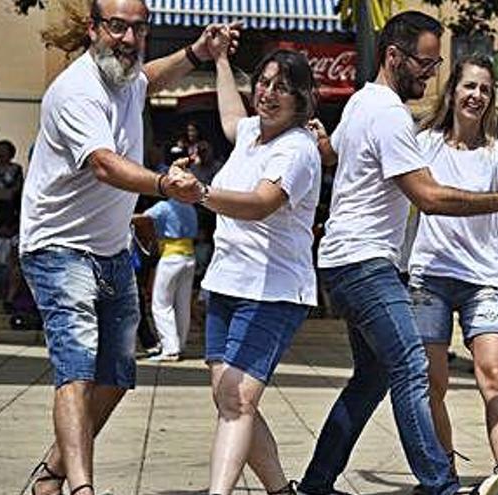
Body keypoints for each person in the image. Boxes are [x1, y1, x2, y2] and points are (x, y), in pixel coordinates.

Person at [298, 12, 498, 495]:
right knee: (412, 368)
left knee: (371, 379)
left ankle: (315, 485)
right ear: (393, 56)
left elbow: (338, 158)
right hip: (366, 264)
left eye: (436, 65)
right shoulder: (390, 113)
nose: (431, 75)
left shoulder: (359, 104)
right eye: (425, 64)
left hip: (345, 260)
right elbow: (428, 197)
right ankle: (441, 486)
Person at [18, 1, 235, 494]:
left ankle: (51, 475)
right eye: (118, 27)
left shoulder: (125, 77)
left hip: (112, 249)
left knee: (116, 375)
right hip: (59, 248)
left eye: (139, 28)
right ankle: (81, 487)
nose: (130, 39)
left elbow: (149, 79)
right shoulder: (76, 91)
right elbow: (104, 165)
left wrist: (197, 53)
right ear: (95, 29)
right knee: (76, 369)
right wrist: (163, 183)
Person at [406, 54, 498, 495]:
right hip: (428, 274)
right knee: (432, 382)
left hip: (483, 277)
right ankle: (444, 475)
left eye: (485, 90)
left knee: (495, 375)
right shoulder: (424, 142)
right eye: (470, 86)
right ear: (452, 92)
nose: (477, 96)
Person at [196, 32, 321, 495]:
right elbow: (231, 116)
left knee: (238, 399)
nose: (268, 93)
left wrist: (201, 193)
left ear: (302, 98)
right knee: (229, 398)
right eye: (264, 83)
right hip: (227, 281)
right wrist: (222, 60)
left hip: (273, 291)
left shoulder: (298, 150)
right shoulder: (250, 132)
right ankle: (281, 492)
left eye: (282, 86)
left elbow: (261, 203)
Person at [133, 196, 198, 361]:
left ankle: (170, 348)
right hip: (189, 256)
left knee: (161, 304)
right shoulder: (190, 206)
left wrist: (124, 216)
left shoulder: (164, 206)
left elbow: (144, 218)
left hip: (171, 256)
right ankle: (179, 345)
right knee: (182, 305)